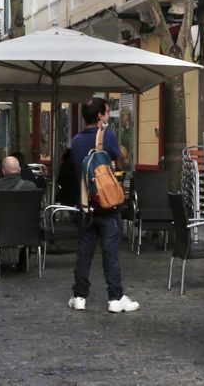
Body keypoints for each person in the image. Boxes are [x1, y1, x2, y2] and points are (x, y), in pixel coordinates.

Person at [68, 97, 139, 313]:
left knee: (84, 253)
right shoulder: (107, 136)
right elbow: (120, 161)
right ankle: (115, 298)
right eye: (107, 112)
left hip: (85, 206)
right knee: (110, 254)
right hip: (107, 206)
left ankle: (79, 296)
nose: (108, 116)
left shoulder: (76, 140)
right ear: (100, 115)